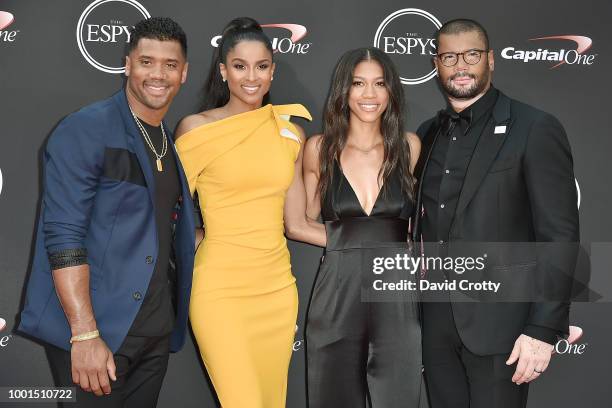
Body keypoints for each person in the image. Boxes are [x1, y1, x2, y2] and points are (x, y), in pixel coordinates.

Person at [18, 17, 195, 407]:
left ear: (184, 73)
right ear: (128, 64)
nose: (158, 74)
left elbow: (159, 230)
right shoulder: (86, 128)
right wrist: (84, 334)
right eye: (147, 61)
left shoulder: (166, 139)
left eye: (170, 64)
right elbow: (63, 235)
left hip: (154, 331)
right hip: (97, 333)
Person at [413, 19, 579, 408]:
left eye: (471, 54)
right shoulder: (425, 134)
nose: (460, 66)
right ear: (437, 64)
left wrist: (542, 328)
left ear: (490, 59)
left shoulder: (534, 127)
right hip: (433, 326)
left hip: (503, 329)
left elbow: (559, 236)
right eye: (449, 56)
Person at [174, 17, 325, 408]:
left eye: (261, 66)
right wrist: (200, 239)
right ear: (223, 71)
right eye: (240, 66)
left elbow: (299, 220)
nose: (251, 76)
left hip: (276, 289)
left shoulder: (290, 132)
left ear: (273, 71)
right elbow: (164, 209)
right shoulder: (196, 129)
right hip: (219, 290)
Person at [303, 47, 425, 408]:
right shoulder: (319, 149)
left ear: (391, 91)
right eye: (358, 84)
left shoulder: (410, 146)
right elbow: (302, 220)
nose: (369, 95)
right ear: (344, 90)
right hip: (337, 290)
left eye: (379, 84)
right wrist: (347, 240)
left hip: (397, 292)